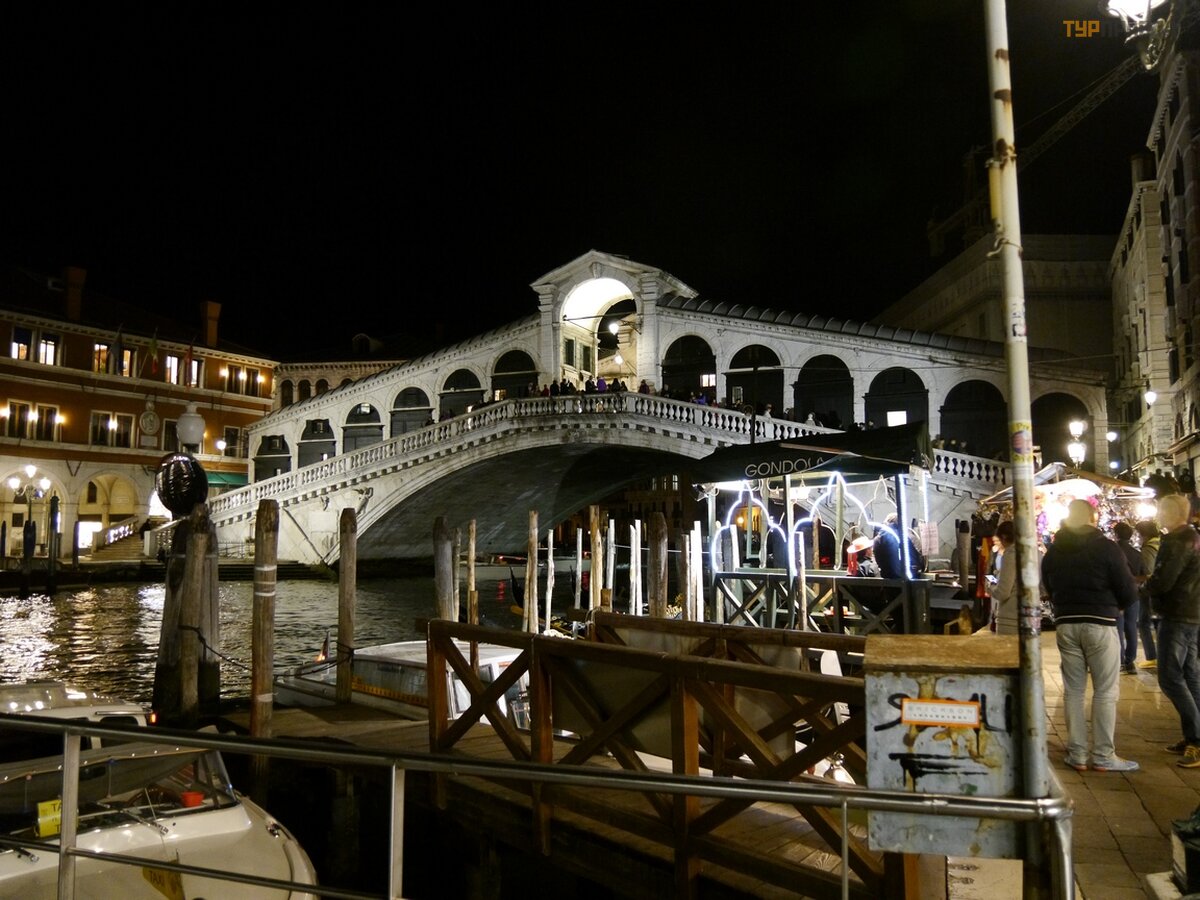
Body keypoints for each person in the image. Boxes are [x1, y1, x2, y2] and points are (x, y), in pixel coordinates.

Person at [1041, 499, 1140, 773]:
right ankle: (1103, 755)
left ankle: (1077, 754)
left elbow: (1047, 584)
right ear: (1092, 518)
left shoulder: (1054, 551)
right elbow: (1128, 589)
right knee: (1105, 691)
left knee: (1073, 690)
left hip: (1066, 623)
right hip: (1101, 622)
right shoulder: (1106, 548)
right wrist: (1115, 606)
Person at [1146, 493, 1200, 767]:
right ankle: (1193, 735)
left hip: (1177, 613)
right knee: (1190, 676)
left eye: (1161, 511)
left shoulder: (1179, 541)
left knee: (1169, 677)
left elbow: (1165, 580)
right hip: (1190, 613)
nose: (1158, 515)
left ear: (1172, 513)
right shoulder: (1191, 537)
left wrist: (1143, 587)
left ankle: (1196, 740)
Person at [1112, 521, 1144, 674]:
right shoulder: (1137, 554)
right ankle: (1130, 661)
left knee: (1118, 626)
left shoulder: (1112, 551)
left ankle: (1119, 659)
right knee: (1131, 627)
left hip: (1116, 594)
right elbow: (1144, 574)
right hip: (1133, 594)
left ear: (1116, 534)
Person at [1135, 519, 1160, 667]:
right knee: (1157, 622)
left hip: (1148, 591)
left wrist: (1135, 579)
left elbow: (1149, 573)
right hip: (1160, 590)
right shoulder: (1161, 543)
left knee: (1143, 623)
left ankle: (1152, 656)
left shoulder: (1148, 548)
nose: (1138, 538)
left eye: (1139, 534)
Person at [873, 514, 924, 579]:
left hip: (886, 578)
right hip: (907, 578)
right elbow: (917, 558)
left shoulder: (877, 539)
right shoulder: (905, 537)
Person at [989, 521, 1018, 635]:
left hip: (1010, 619)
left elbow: (1003, 592)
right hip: (1029, 618)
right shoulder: (1034, 553)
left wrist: (990, 587)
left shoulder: (1011, 554)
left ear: (1004, 537)